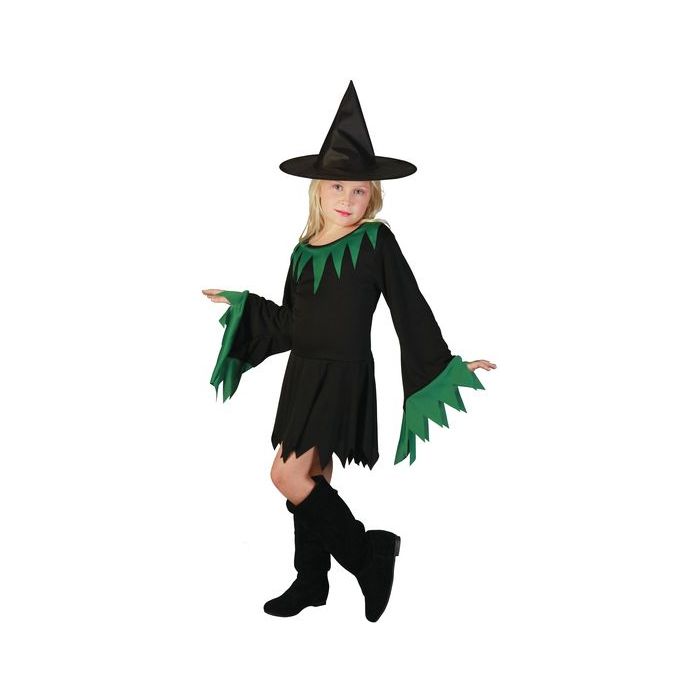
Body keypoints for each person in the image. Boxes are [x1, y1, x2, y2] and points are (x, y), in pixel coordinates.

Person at [202, 80, 497, 623]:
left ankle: (368, 555)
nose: (347, 199)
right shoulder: (301, 252)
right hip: (303, 374)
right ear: (317, 191)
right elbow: (291, 324)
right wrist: (244, 306)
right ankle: (312, 580)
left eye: (359, 191)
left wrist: (448, 365)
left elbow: (410, 307)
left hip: (343, 376)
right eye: (337, 187)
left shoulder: (375, 241)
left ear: (373, 196)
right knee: (311, 477)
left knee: (285, 476)